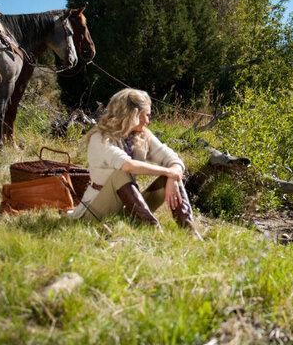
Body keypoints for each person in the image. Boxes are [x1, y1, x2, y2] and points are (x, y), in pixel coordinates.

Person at [71, 88, 200, 236]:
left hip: (130, 204)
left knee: (170, 177)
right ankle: (153, 229)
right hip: (97, 209)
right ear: (133, 114)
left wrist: (172, 175)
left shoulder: (142, 135)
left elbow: (173, 159)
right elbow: (127, 165)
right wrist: (168, 171)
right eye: (146, 115)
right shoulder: (100, 138)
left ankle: (190, 232)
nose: (148, 121)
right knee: (121, 173)